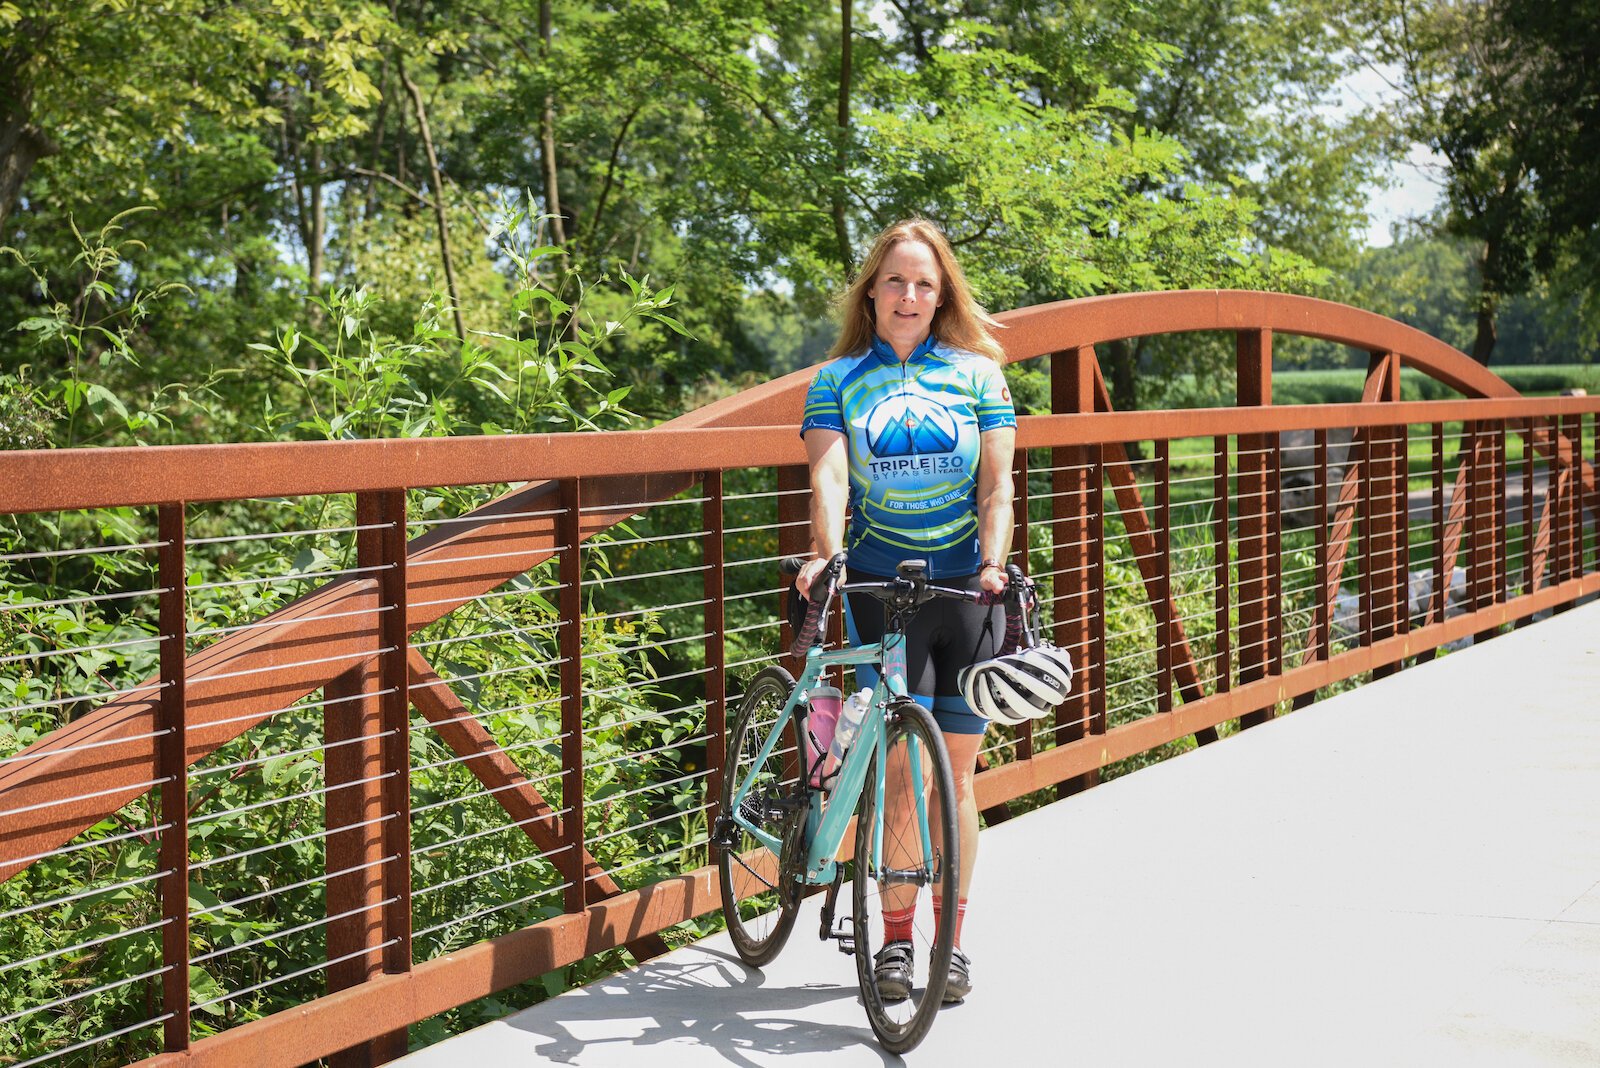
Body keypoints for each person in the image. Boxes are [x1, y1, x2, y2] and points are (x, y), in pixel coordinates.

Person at [794, 217, 1015, 1004]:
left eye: (924, 282)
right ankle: (893, 944)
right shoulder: (836, 380)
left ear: (942, 293)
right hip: (880, 591)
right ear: (872, 291)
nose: (909, 295)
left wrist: (992, 563)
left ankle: (949, 944)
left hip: (965, 589)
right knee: (897, 764)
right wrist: (825, 553)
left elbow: (997, 487)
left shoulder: (980, 377)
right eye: (895, 280)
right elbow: (830, 481)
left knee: (956, 774)